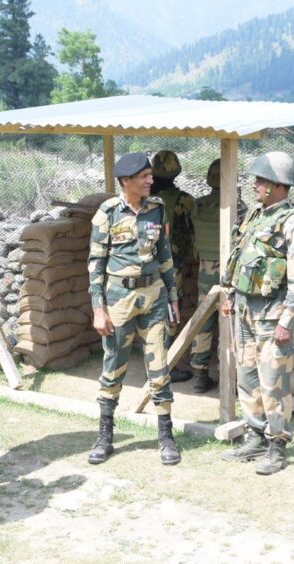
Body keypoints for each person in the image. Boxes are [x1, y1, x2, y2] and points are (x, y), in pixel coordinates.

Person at [219, 152, 294, 475]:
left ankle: (277, 445)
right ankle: (254, 435)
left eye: (260, 180)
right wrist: (230, 294)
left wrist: (288, 320)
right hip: (245, 311)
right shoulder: (255, 217)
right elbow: (240, 257)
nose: (254, 184)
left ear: (276, 185)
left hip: (273, 316)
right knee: (247, 377)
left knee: (273, 381)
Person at [87, 152, 182, 466]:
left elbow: (165, 254)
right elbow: (95, 265)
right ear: (126, 181)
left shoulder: (157, 209)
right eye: (144, 176)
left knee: (159, 367)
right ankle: (105, 437)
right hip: (119, 301)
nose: (150, 181)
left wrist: (172, 296)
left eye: (151, 175)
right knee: (113, 366)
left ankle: (166, 438)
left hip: (153, 297)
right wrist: (98, 309)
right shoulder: (108, 213)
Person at [189, 158, 247, 393]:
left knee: (203, 322)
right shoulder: (239, 207)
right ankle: (230, 377)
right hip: (230, 274)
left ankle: (200, 375)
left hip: (204, 271)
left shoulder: (198, 205)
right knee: (231, 323)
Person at [150, 150, 195, 383]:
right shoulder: (184, 201)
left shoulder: (142, 199)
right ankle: (165, 367)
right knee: (169, 314)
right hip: (171, 267)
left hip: (145, 267)